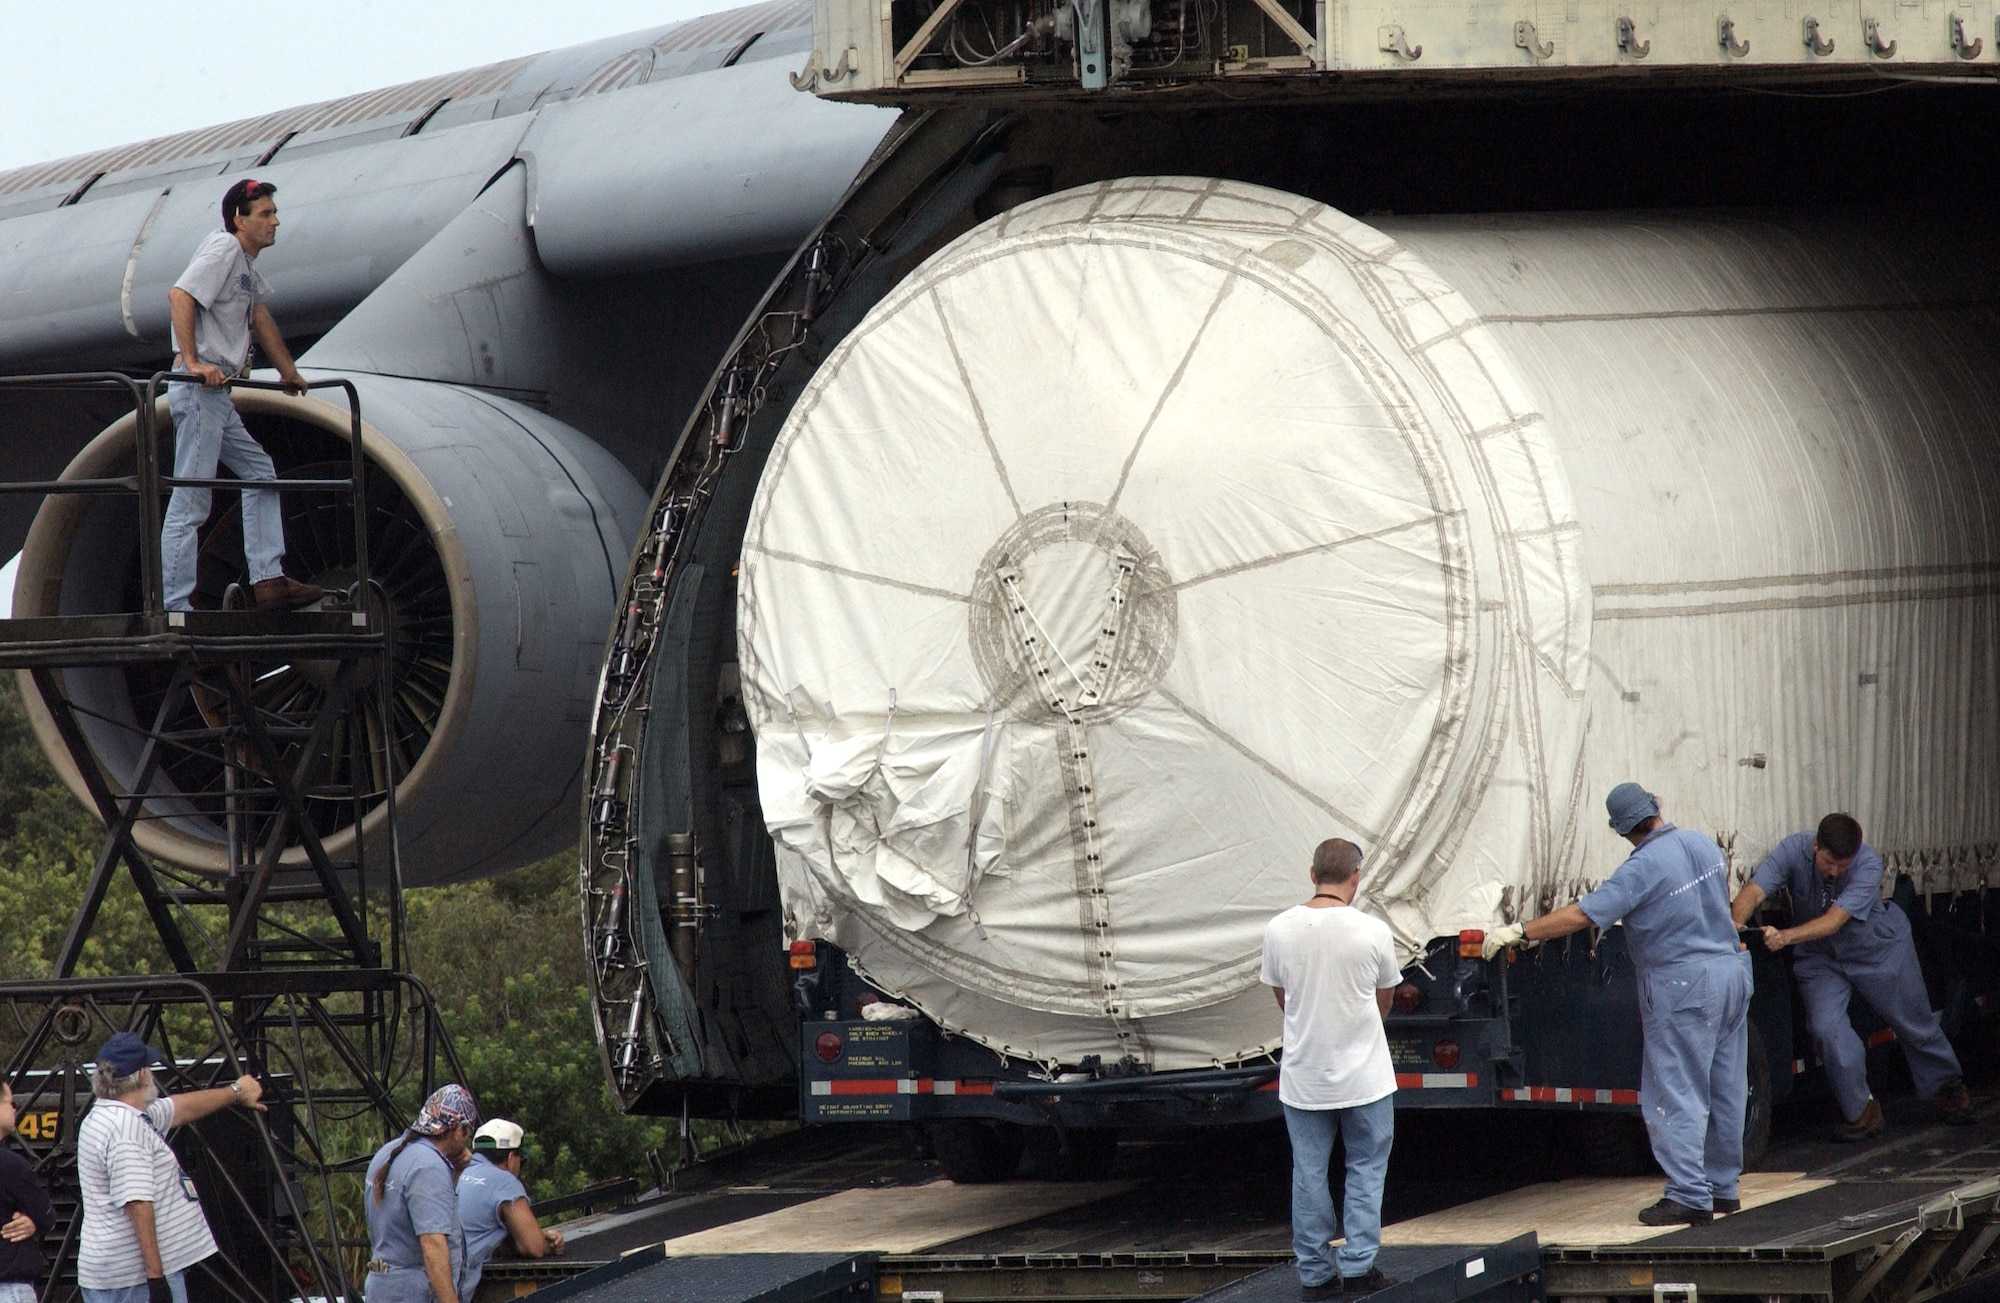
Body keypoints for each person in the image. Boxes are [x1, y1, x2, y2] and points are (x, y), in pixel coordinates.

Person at [1485, 783, 1750, 1227]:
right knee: (1725, 1083)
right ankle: (1723, 1187)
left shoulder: (1642, 867)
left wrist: (1521, 931)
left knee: (1677, 1089)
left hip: (1682, 984)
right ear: (1656, 805)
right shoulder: (1702, 844)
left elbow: (1583, 916)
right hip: (1731, 972)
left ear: (1621, 829)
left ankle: (1689, 1193)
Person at [1731, 813, 1973, 1140]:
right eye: (1829, 863)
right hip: (1820, 956)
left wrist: (1785, 937)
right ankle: (1862, 1110)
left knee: (1911, 1019)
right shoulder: (1792, 850)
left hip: (1874, 948)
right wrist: (1735, 925)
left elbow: (1833, 922)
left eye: (1842, 867)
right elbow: (1755, 891)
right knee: (1824, 1028)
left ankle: (1948, 1084)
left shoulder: (1868, 864)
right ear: (1815, 845)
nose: (1834, 872)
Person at [163, 176, 321, 613]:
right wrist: (193, 362)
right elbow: (180, 294)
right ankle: (176, 606)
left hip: (217, 394)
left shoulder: (245, 265)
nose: (276, 222)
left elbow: (260, 315)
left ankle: (268, 579)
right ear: (239, 219)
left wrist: (289, 373)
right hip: (200, 390)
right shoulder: (224, 248)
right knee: (192, 498)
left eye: (274, 213)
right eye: (266, 214)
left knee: (259, 472)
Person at [1261, 838, 1402, 1300]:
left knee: (1309, 1172)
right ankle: (1360, 1268)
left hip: (1304, 1079)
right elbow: (1385, 999)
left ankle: (1316, 1277)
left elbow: (1284, 1000)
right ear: (1355, 878)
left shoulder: (1279, 929)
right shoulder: (1374, 932)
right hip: (1367, 1077)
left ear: (1311, 874)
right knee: (1365, 1167)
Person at [75, 1033, 266, 1303]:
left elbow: (179, 1108)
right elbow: (137, 1202)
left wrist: (235, 1092)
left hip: (113, 1273)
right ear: (141, 1075)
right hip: (136, 1279)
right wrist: (156, 1279)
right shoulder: (126, 1129)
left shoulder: (110, 1115)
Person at [364, 1084, 478, 1303]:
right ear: (458, 1131)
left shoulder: (389, 1152)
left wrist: (455, 1172)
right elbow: (432, 1244)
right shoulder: (429, 1166)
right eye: (467, 1132)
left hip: (381, 1286)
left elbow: (418, 1211)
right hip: (413, 1291)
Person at [456, 1120, 564, 1300]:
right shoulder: (504, 1182)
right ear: (511, 1157)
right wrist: (549, 1245)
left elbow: (480, 1235)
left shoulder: (460, 1174)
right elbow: (534, 1247)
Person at [0, 1079, 58, 1303]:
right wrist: (36, 1221)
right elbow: (47, 1215)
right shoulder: (10, 1164)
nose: (14, 1109)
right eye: (9, 1103)